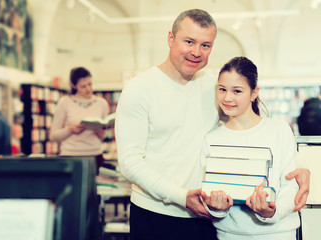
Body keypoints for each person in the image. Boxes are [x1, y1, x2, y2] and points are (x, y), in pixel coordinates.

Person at [115, 9, 310, 240]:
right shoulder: (139, 89)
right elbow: (129, 162)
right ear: (170, 39)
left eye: (206, 45)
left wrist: (305, 168)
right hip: (155, 214)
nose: (196, 52)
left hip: (207, 217)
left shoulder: (214, 88)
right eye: (189, 42)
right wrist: (180, 196)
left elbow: (249, 133)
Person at [201, 56, 300, 239]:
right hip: (230, 235)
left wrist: (272, 212)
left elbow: (290, 185)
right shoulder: (211, 139)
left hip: (278, 234)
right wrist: (216, 209)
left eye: (237, 91)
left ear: (254, 93)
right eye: (222, 89)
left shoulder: (279, 130)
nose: (227, 97)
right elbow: (207, 191)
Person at [50, 67, 109, 171]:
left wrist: (100, 132)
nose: (88, 89)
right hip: (71, 156)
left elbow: (103, 135)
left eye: (90, 84)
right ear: (74, 86)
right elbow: (53, 136)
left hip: (95, 156)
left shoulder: (102, 103)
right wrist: (70, 129)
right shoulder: (65, 102)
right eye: (83, 86)